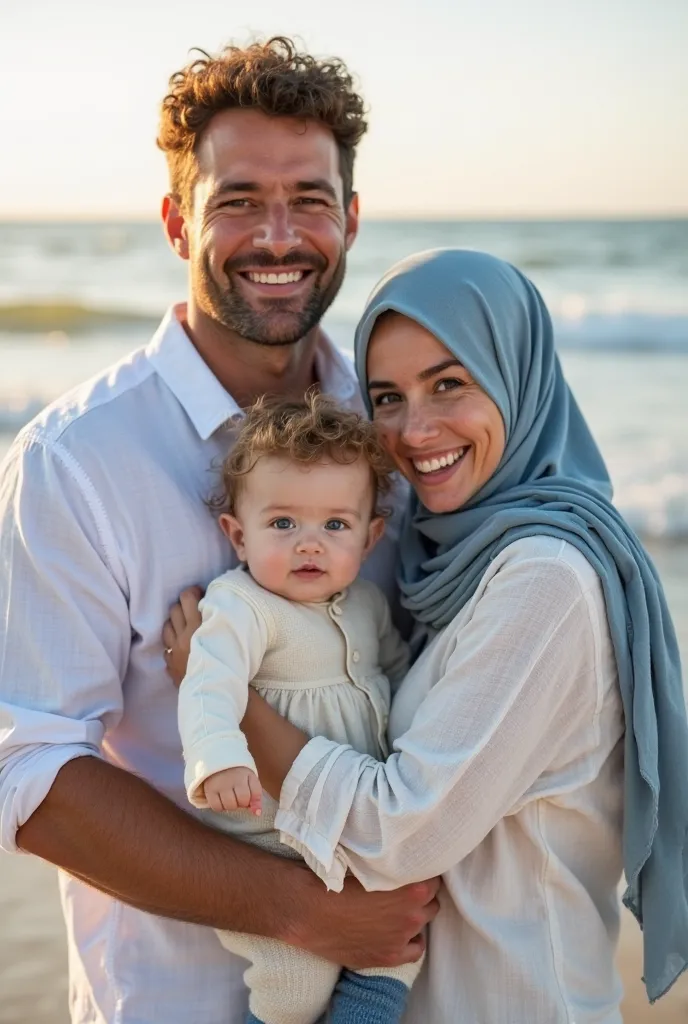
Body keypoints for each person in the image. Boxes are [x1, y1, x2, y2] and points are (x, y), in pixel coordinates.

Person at [0, 39, 438, 1024]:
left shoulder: (397, 430)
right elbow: (30, 773)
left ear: (350, 220)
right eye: (237, 200)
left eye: (310, 201)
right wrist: (298, 911)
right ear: (174, 220)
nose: (277, 237)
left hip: (403, 987)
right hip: (171, 1000)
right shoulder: (74, 460)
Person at [164, 249, 688, 1023]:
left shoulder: (545, 578)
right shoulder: (450, 558)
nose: (415, 430)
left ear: (517, 374)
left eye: (450, 384)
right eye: (387, 396)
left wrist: (229, 698)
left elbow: (398, 832)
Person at [178, 393, 421, 1024]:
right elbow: (208, 681)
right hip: (270, 832)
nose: (309, 545)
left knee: (399, 945)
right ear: (238, 534)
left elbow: (396, 672)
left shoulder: (366, 603)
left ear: (370, 538)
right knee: (293, 980)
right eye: (283, 524)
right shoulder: (243, 605)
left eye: (334, 526)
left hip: (351, 819)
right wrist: (218, 758)